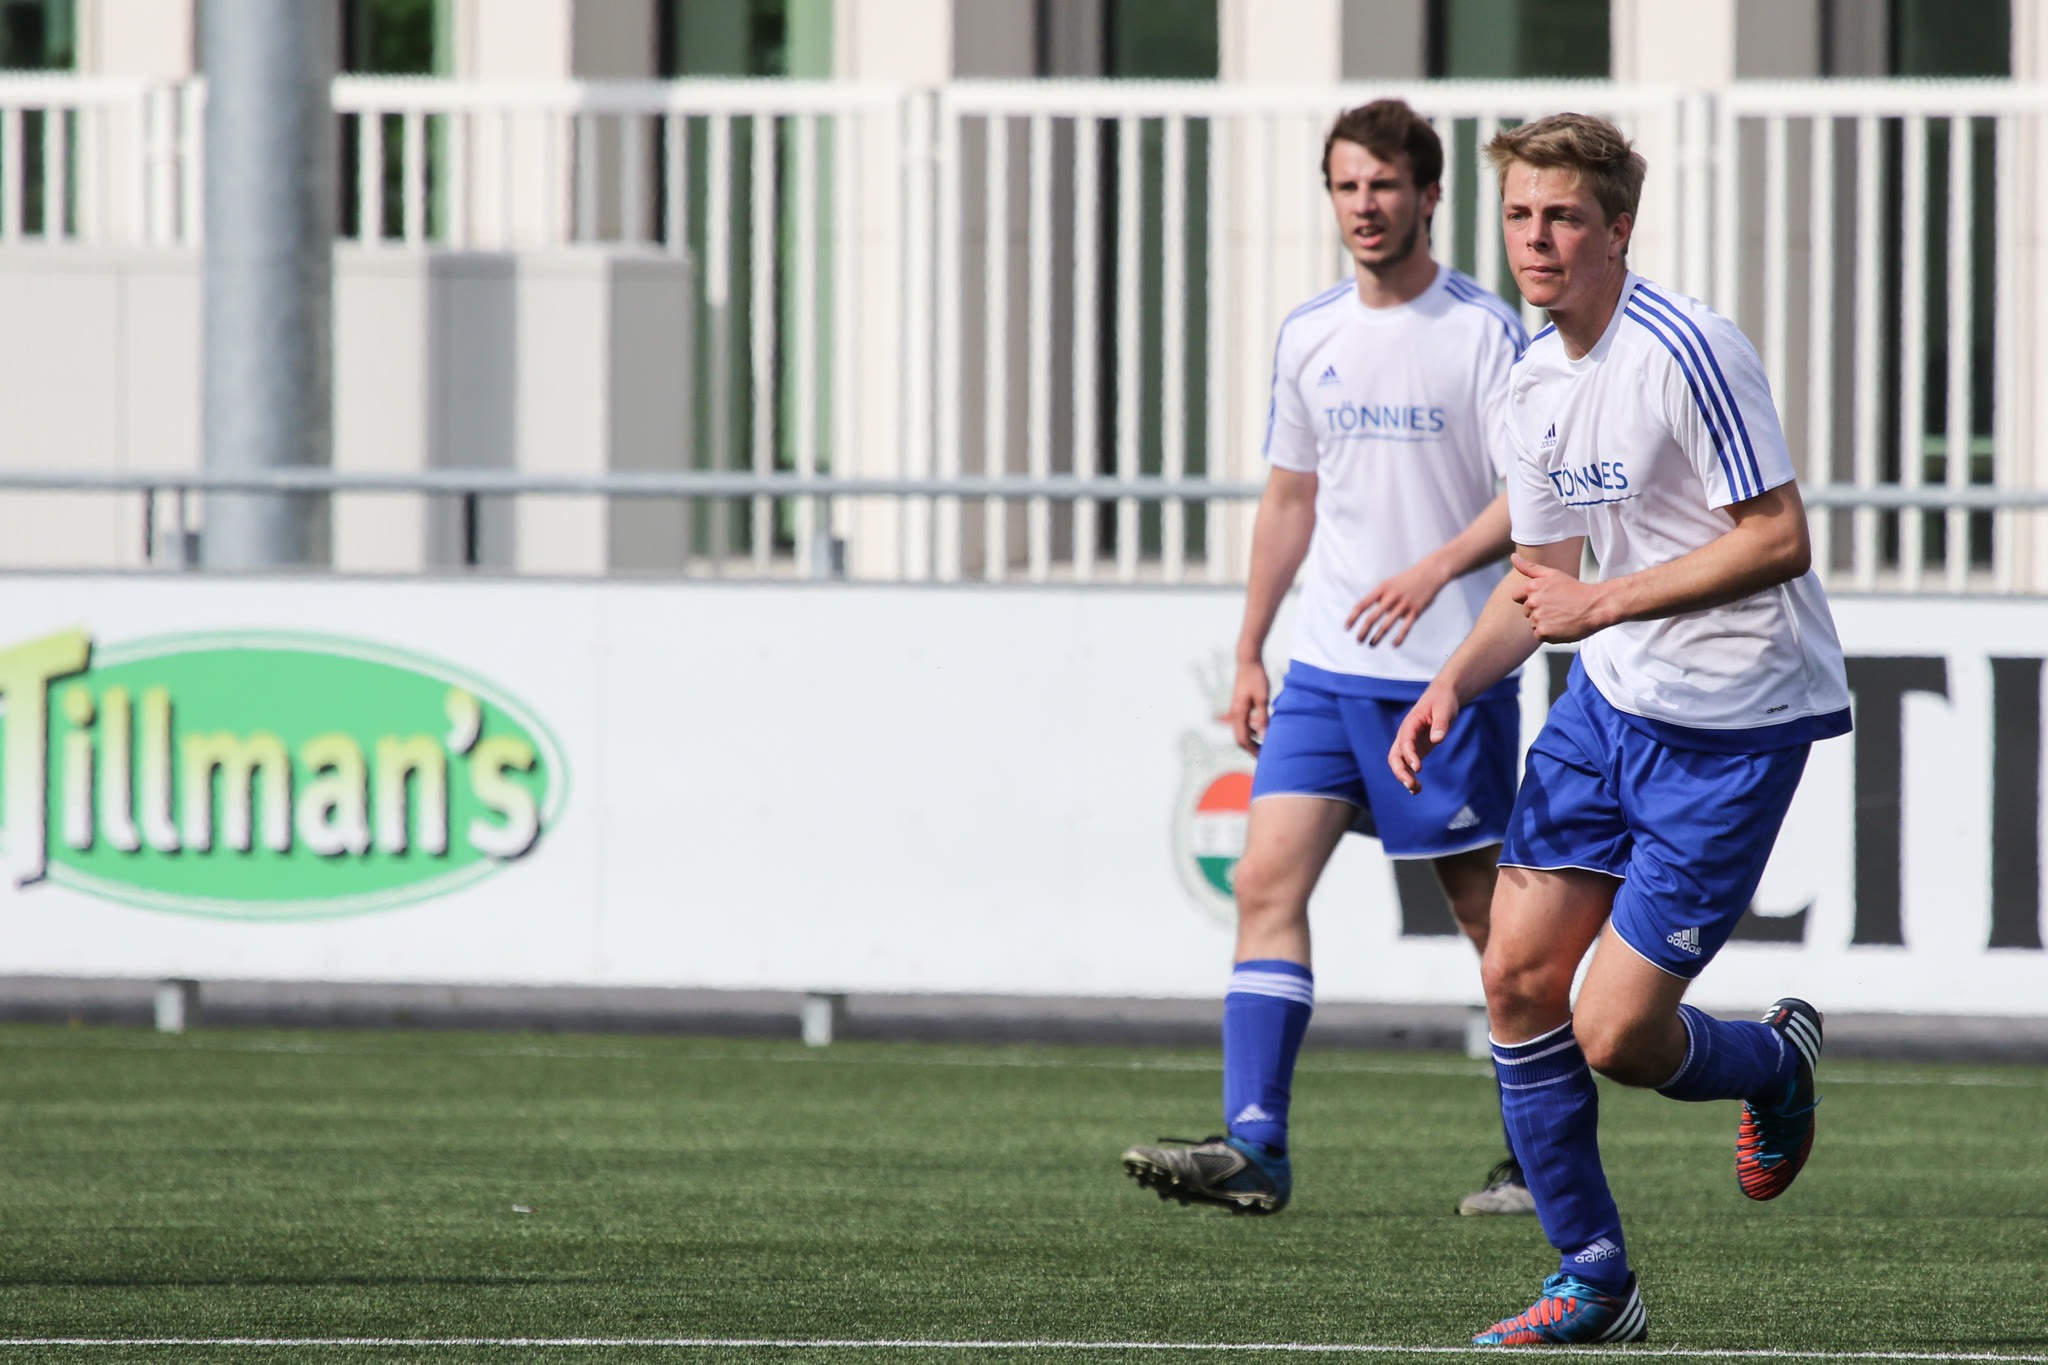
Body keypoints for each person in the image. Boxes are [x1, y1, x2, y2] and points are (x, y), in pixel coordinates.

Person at [1389, 113, 1851, 1346]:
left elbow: (1777, 538)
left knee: (1615, 1036)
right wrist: (1452, 682)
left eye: (1562, 217)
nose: (1534, 239)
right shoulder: (1527, 380)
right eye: (1518, 215)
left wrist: (1602, 603)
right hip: (1604, 708)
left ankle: (1773, 1064)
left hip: (1732, 723)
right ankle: (1592, 1277)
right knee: (1514, 976)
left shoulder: (1687, 349)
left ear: (1617, 230)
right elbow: (1540, 579)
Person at [1121, 99, 1534, 1219]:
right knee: (1264, 883)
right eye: (1347, 186)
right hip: (1323, 671)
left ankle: (1533, 1158)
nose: (1365, 205)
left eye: (1385, 184)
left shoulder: (1485, 333)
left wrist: (1436, 568)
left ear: (1429, 196)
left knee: (1493, 926)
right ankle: (1255, 1145)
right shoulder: (1309, 332)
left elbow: (1534, 500)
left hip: (1448, 674)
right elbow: (1290, 499)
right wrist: (1249, 648)